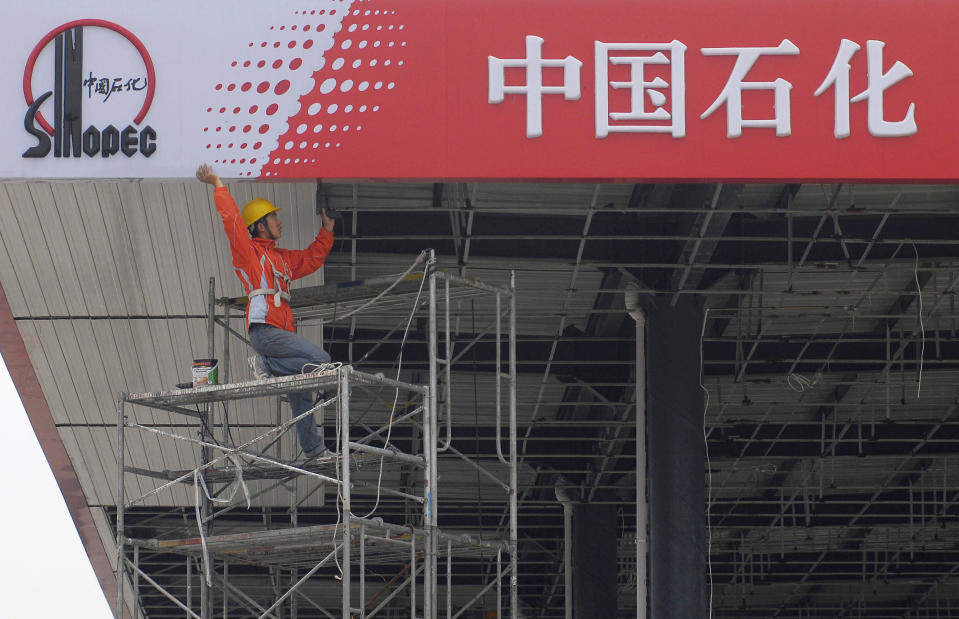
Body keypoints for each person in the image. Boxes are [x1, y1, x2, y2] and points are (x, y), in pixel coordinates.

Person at [196, 163, 335, 458]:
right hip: (265, 331)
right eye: (273, 217)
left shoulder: (280, 259)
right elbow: (232, 223)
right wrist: (218, 185)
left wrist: (328, 230)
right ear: (260, 225)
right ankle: (267, 366)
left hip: (278, 332)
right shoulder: (250, 255)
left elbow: (311, 258)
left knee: (301, 387)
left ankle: (314, 450)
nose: (278, 221)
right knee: (321, 362)